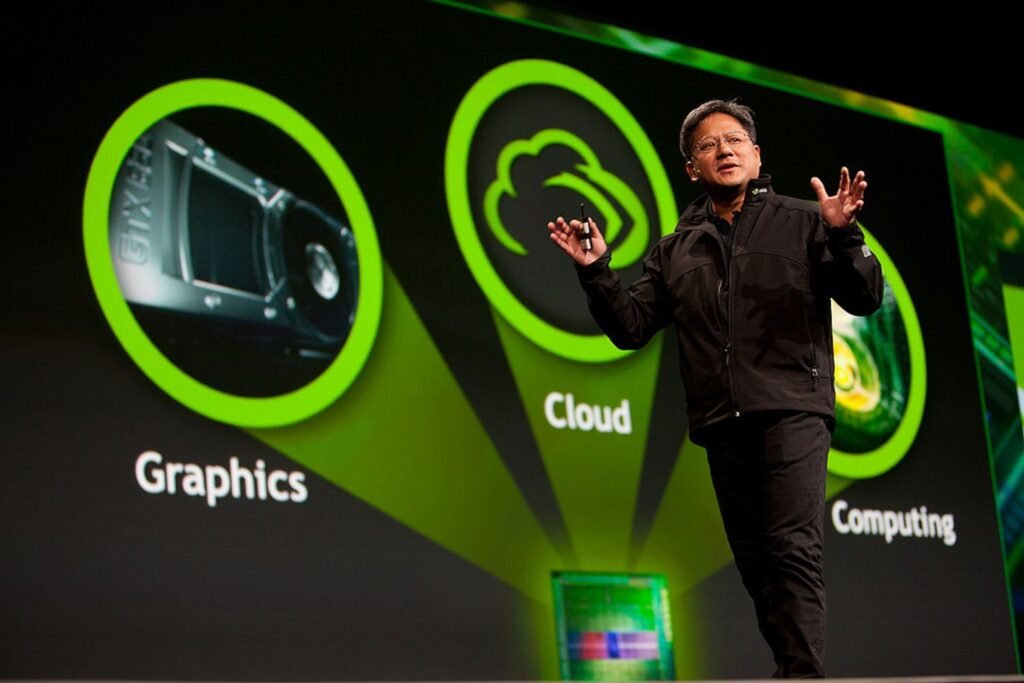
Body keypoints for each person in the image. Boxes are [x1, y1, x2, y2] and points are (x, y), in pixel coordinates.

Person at [547, 99, 883, 678]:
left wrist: (844, 235)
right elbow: (631, 327)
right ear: (691, 169)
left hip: (792, 410)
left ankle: (802, 676)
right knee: (756, 563)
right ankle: (792, 668)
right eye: (708, 145)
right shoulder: (676, 249)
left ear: (756, 154)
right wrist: (597, 271)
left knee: (792, 548)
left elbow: (865, 296)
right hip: (723, 422)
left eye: (734, 140)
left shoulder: (807, 220)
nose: (724, 150)